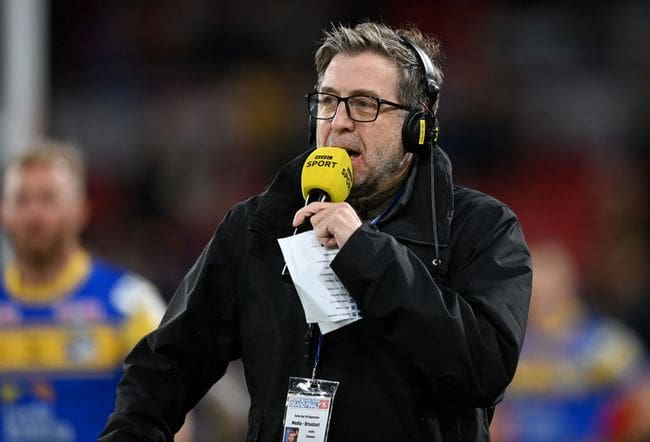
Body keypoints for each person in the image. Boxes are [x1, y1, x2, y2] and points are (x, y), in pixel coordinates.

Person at [100, 21, 532, 441]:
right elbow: (168, 364)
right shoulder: (259, 226)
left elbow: (483, 369)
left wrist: (367, 253)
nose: (339, 122)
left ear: (416, 127)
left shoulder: (481, 228)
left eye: (365, 104)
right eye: (328, 101)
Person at [0, 141, 166, 440]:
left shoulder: (129, 305)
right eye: (21, 200)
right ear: (4, 212)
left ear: (81, 209)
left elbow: (173, 414)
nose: (34, 214)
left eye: (48, 199)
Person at [490, 239, 646, 441]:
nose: (539, 297)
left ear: (569, 285)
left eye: (547, 288)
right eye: (532, 287)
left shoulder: (604, 342)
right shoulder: (505, 344)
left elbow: (645, 405)